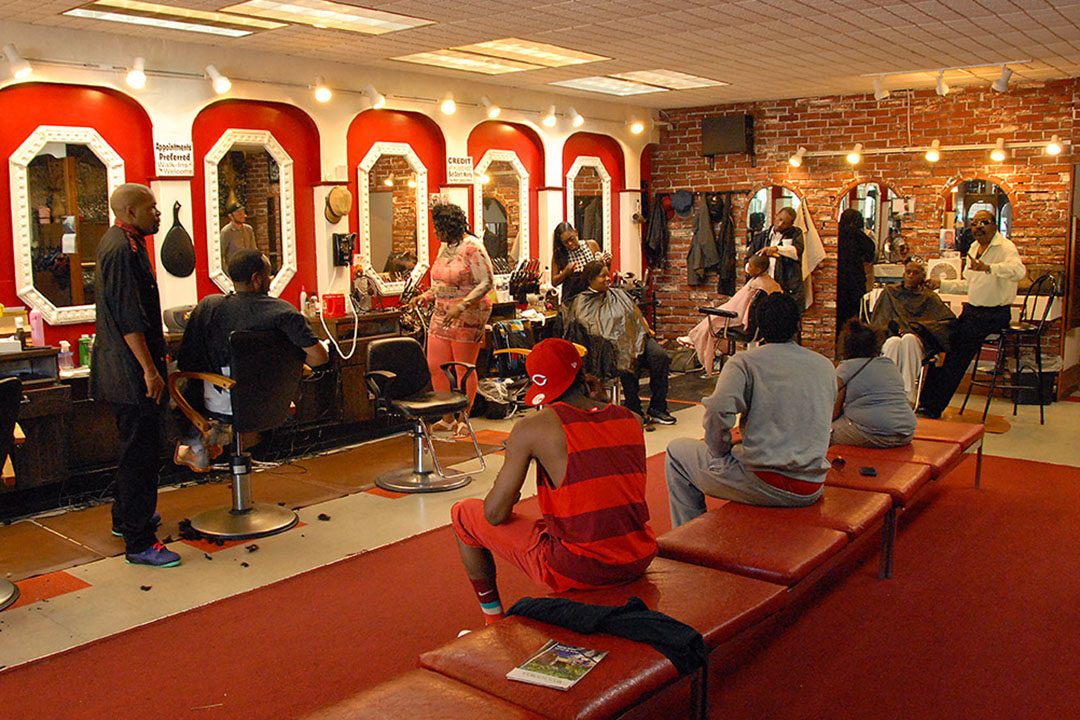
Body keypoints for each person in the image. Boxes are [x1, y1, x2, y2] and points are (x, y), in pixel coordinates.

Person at [450, 338, 657, 624]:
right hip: (638, 557)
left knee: (463, 514)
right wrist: (602, 401)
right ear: (583, 376)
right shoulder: (631, 418)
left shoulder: (531, 428)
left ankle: (493, 621)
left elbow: (495, 514)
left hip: (582, 569)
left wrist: (515, 454)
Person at [664, 293, 835, 528]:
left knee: (676, 452)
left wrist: (720, 449)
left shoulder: (745, 362)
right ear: (798, 325)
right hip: (811, 485)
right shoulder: (825, 365)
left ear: (756, 327)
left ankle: (688, 536)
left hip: (765, 482)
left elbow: (717, 411)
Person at [174, 249, 330, 471]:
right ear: (256, 279)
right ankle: (208, 441)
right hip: (273, 400)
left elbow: (188, 359)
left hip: (225, 401)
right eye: (268, 275)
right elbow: (319, 358)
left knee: (179, 373)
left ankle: (197, 442)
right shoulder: (284, 312)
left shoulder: (210, 307)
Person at [89, 183, 179, 567]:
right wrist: (149, 370)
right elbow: (129, 318)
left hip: (125, 367)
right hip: (131, 371)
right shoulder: (122, 251)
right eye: (151, 208)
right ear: (129, 211)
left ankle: (125, 517)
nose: (157, 213)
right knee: (141, 455)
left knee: (133, 449)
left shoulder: (124, 242)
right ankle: (140, 540)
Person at [918, 210, 1026, 418]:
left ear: (994, 225)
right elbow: (969, 284)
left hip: (994, 314)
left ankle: (933, 407)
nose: (978, 227)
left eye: (983, 222)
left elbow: (1019, 272)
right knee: (940, 340)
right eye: (974, 223)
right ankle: (925, 400)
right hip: (973, 311)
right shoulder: (974, 248)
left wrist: (989, 268)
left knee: (957, 354)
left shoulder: (1005, 247)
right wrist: (942, 284)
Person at [407, 202, 494, 437]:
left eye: (439, 227)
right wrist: (425, 296)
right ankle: (446, 416)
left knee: (461, 367)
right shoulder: (445, 248)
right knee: (436, 364)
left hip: (469, 312)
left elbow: (487, 282)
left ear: (449, 226)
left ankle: (463, 417)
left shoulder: (472, 247)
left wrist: (463, 304)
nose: (436, 233)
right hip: (443, 310)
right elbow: (441, 281)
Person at [563, 260, 676, 425]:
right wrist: (617, 341)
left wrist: (638, 335)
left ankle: (658, 408)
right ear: (590, 279)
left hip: (638, 339)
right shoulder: (582, 302)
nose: (608, 279)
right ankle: (634, 408)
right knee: (624, 360)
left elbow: (636, 318)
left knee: (660, 357)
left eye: (608, 275)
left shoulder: (619, 294)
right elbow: (587, 330)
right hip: (610, 349)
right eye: (603, 276)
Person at [678, 253, 782, 376]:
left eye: (751, 266)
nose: (748, 268)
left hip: (738, 319)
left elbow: (738, 306)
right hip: (760, 328)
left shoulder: (755, 285)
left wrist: (726, 309)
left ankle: (698, 339)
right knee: (717, 316)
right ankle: (703, 341)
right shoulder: (772, 285)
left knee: (713, 318)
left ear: (758, 270)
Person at [869, 261, 956, 403]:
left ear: (922, 276)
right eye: (908, 272)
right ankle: (888, 389)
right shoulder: (890, 293)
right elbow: (879, 321)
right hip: (892, 336)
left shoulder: (929, 297)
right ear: (903, 274)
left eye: (915, 273)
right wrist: (895, 329)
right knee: (894, 343)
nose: (910, 275)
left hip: (918, 341)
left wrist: (919, 329)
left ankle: (908, 392)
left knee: (909, 340)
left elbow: (945, 322)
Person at [831, 319, 916, 448]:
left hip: (874, 433)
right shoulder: (889, 364)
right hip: (906, 433)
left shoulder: (847, 368)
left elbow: (833, 411)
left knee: (817, 434)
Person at [747, 206, 804, 304]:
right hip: (762, 287)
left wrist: (776, 249)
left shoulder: (796, 234)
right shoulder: (761, 238)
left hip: (787, 286)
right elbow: (748, 260)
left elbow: (796, 251)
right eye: (780, 219)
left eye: (785, 223)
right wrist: (752, 268)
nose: (781, 224)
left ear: (791, 224)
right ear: (776, 215)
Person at [835, 208, 877, 333]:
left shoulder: (835, 233)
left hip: (837, 280)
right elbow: (870, 255)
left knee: (837, 316)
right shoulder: (859, 236)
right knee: (853, 316)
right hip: (854, 281)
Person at [551, 221, 610, 306]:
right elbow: (554, 282)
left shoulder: (592, 245)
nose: (570, 244)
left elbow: (603, 273)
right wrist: (565, 273)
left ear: (576, 232)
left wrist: (607, 263)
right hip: (572, 301)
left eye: (571, 239)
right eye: (565, 242)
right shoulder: (560, 255)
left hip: (595, 299)